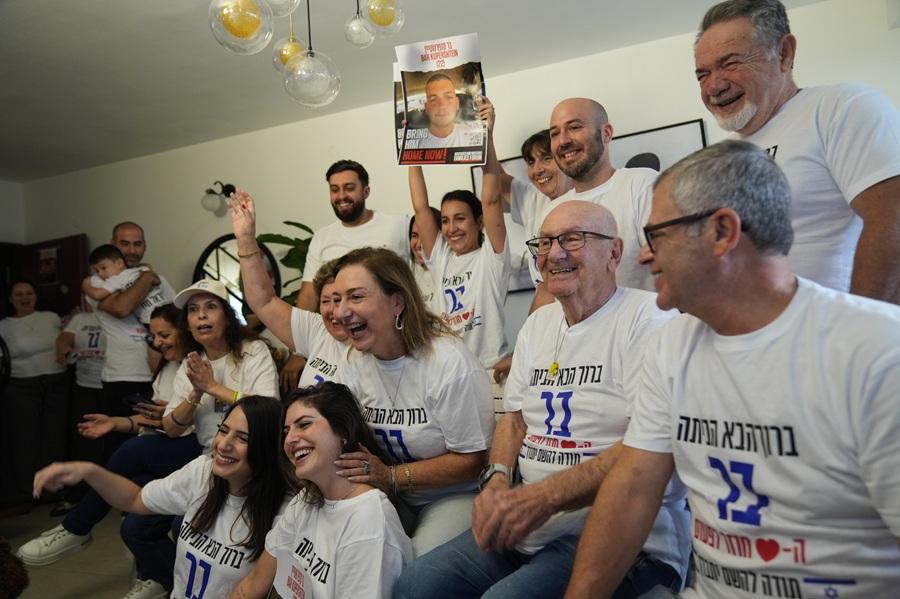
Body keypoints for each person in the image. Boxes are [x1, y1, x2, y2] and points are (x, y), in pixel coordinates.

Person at [564, 140, 900, 598]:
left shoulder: (877, 352)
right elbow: (633, 488)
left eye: (655, 236)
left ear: (722, 232)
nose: (643, 257)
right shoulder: (671, 345)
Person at [396, 201, 690, 599]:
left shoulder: (649, 320)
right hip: (531, 523)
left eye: (573, 239)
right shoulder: (538, 324)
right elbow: (514, 419)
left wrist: (543, 498)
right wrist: (498, 478)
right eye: (546, 242)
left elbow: (649, 449)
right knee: (415, 586)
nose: (555, 253)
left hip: (623, 533)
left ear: (615, 252)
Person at [231, 198, 495, 557]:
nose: (340, 312)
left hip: (448, 497)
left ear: (397, 302)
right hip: (383, 491)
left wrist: (391, 476)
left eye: (355, 297)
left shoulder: (448, 363)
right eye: (336, 299)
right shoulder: (355, 359)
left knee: (409, 572)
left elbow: (472, 461)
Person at [694, 0, 900, 302]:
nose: (714, 86)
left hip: (831, 326)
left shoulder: (840, 107)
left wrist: (858, 326)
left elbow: (893, 218)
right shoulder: (720, 156)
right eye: (702, 74)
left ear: (784, 53)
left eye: (730, 63)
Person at [16, 305, 203, 598]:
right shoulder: (166, 369)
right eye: (153, 336)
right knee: (133, 518)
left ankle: (77, 527)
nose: (157, 342)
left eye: (164, 335)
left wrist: (166, 416)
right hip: (163, 446)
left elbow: (177, 424)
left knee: (134, 450)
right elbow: (154, 419)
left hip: (191, 448)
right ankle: (161, 578)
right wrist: (115, 422)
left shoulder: (196, 368)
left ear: (184, 331)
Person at [32, 395, 291, 599]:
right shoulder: (203, 472)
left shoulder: (285, 512)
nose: (223, 444)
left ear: (268, 449)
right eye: (223, 430)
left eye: (243, 438)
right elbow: (135, 499)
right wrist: (88, 471)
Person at [229, 383, 412, 598]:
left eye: (304, 424)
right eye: (286, 432)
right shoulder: (305, 500)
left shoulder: (368, 518)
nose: (289, 440)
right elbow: (253, 584)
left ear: (343, 432)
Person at [409, 97, 511, 374]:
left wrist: (487, 136)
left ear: (479, 222)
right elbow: (420, 207)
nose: (451, 228)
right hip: (448, 371)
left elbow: (491, 199)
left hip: (490, 369)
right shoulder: (441, 258)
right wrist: (411, 147)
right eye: (445, 221)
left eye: (460, 218)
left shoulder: (492, 257)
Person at [546, 98, 657, 295]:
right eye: (555, 134)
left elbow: (676, 268)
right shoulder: (552, 212)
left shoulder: (642, 185)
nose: (563, 141)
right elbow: (546, 290)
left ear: (606, 133)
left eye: (574, 127)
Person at [92, 222, 176, 462]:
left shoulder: (159, 279)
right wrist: (146, 276)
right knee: (119, 445)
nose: (131, 250)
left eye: (137, 244)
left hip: (160, 374)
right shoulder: (100, 281)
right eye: (124, 244)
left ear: (145, 246)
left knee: (154, 441)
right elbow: (122, 307)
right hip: (122, 376)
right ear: (112, 245)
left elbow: (175, 318)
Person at [163, 279, 279, 453]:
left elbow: (268, 411)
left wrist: (211, 387)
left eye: (211, 307)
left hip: (252, 451)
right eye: (193, 309)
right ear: (187, 324)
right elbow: (171, 429)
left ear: (228, 318)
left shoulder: (254, 350)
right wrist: (196, 393)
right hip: (211, 454)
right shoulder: (192, 363)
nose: (201, 315)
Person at [295, 160, 410, 312]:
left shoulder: (399, 224)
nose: (341, 196)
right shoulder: (322, 237)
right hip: (339, 324)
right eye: (334, 190)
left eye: (349, 188)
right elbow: (308, 299)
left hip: (395, 322)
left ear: (366, 191)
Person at [0, 280, 68, 504]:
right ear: (10, 299)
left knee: (54, 438)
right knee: (25, 440)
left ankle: (53, 490)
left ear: (36, 296)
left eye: (29, 293)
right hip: (21, 388)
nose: (25, 298)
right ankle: (27, 492)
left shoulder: (51, 318)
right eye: (18, 294)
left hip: (56, 385)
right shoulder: (3, 325)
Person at [82, 244, 171, 326]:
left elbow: (97, 294)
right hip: (150, 320)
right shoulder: (119, 278)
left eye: (103, 268)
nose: (100, 274)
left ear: (119, 263)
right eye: (97, 271)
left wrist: (86, 286)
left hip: (166, 309)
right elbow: (98, 295)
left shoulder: (118, 279)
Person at [414, 73, 485, 149]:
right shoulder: (415, 144)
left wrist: (489, 131)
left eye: (448, 97)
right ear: (426, 107)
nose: (441, 106)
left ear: (457, 103)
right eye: (433, 99)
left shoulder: (474, 133)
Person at [409, 206, 442, 310]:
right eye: (414, 236)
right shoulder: (410, 281)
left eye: (425, 236)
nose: (419, 244)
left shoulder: (448, 272)